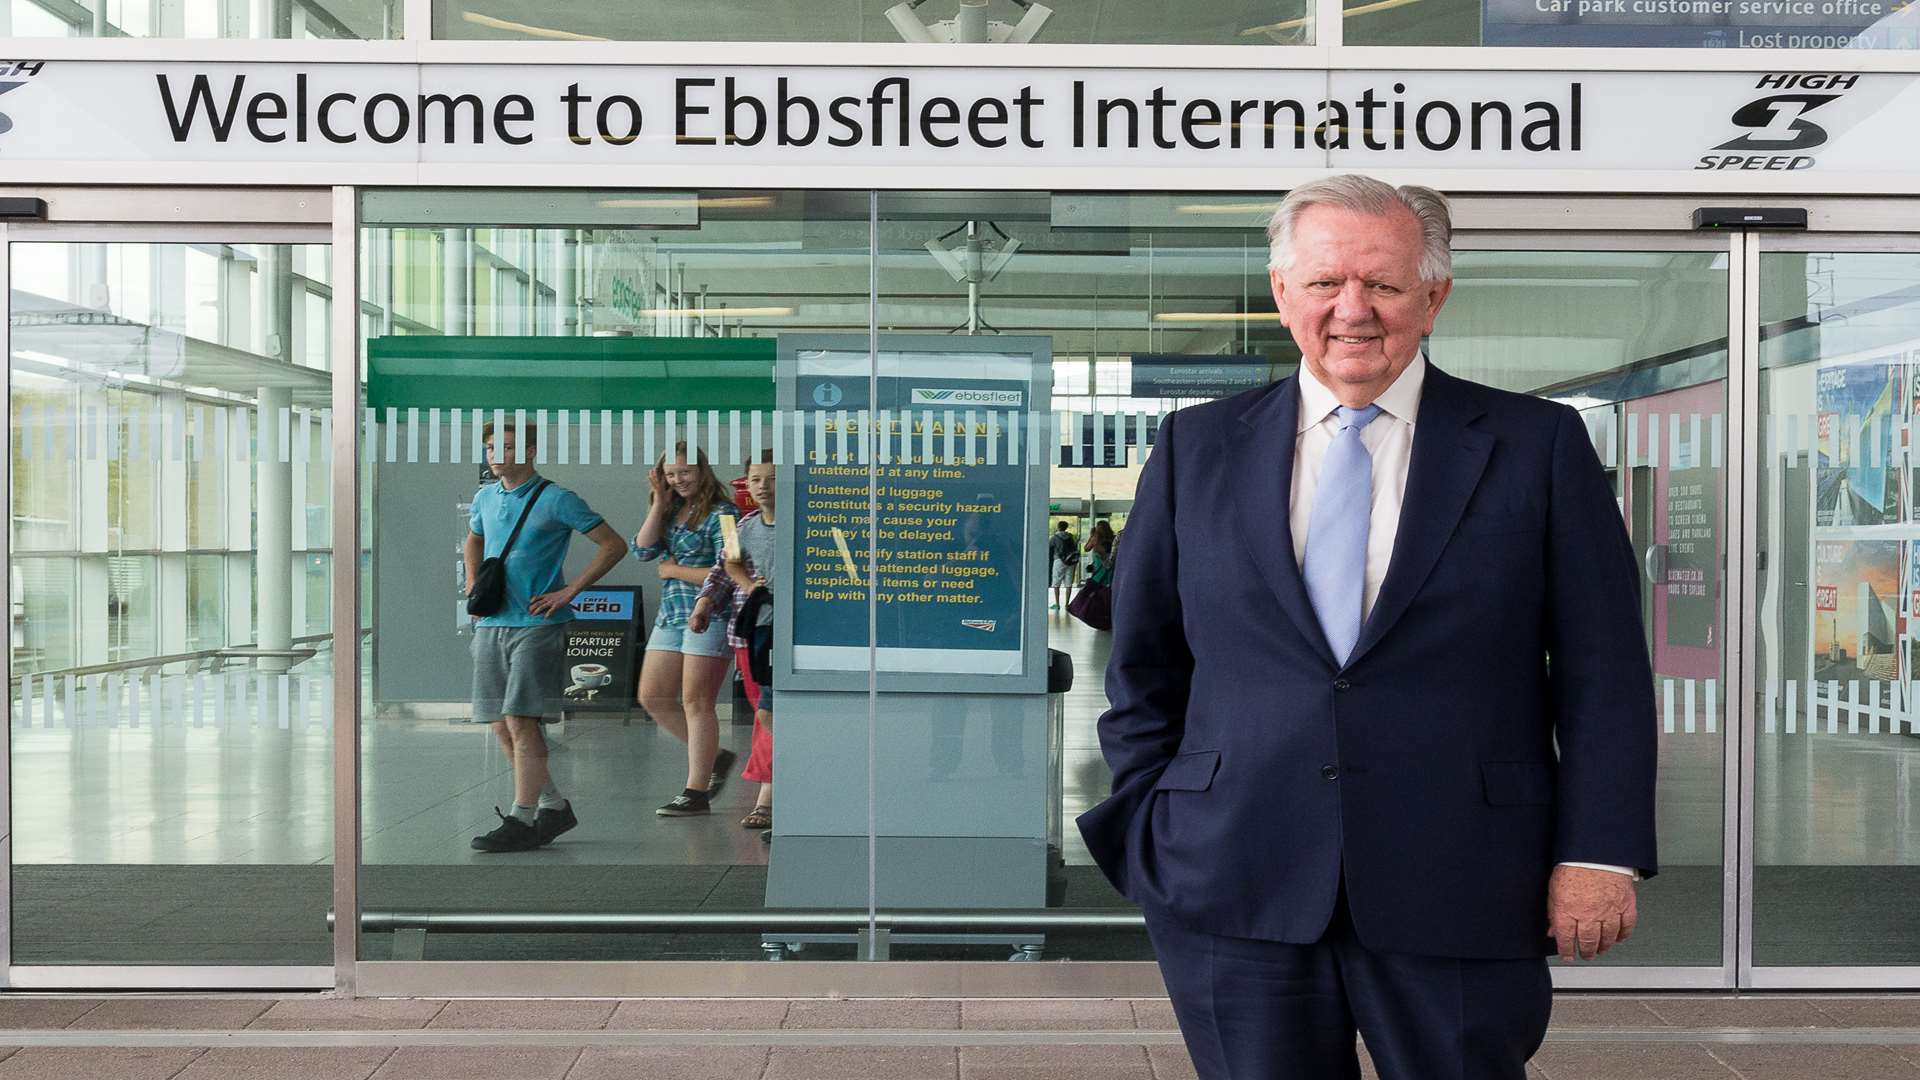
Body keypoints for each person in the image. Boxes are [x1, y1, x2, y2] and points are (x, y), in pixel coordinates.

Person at [1076, 175, 1657, 1080]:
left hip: (1463, 878)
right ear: (1282, 295)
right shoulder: (1197, 447)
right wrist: (1156, 823)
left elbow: (1605, 673)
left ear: (1433, 298)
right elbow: (1145, 666)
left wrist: (1599, 852)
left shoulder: (1536, 446)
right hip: (1235, 878)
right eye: (1325, 283)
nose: (1354, 309)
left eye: (1384, 285)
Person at [465, 419, 627, 853]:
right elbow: (473, 540)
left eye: (509, 447)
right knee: (500, 722)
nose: (498, 455)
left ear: (530, 452)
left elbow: (613, 544)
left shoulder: (556, 499)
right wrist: (472, 583)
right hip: (493, 623)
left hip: (537, 626)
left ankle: (522, 816)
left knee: (521, 719)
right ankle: (552, 806)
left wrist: (570, 591)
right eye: (491, 448)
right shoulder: (484, 497)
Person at [632, 442, 741, 817]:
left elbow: (731, 572)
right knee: (653, 697)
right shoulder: (671, 509)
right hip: (672, 615)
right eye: (670, 473)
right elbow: (642, 551)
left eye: (686, 472)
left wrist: (674, 569)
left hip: (710, 614)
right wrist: (658, 505)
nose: (678, 480)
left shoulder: (724, 512)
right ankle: (716, 758)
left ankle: (695, 791)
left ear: (703, 472)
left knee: (697, 702)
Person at [689, 451, 777, 835]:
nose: (763, 487)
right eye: (756, 479)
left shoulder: (808, 526)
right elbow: (723, 569)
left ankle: (768, 796)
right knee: (764, 714)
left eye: (772, 479)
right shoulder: (739, 524)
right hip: (749, 633)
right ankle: (770, 789)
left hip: (787, 634)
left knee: (772, 715)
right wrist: (705, 604)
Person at [1047, 520, 1079, 610]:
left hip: (1059, 561)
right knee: (1068, 583)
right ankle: (1067, 604)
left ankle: (1057, 604)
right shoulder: (1071, 536)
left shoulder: (1054, 537)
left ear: (1058, 527)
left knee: (1056, 583)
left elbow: (1049, 547)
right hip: (1070, 561)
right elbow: (1075, 546)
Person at [1083, 519, 1116, 588]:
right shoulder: (1113, 538)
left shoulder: (1095, 538)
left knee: (1097, 585)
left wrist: (1091, 535)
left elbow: (1086, 548)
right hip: (1111, 565)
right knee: (1108, 585)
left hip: (1099, 565)